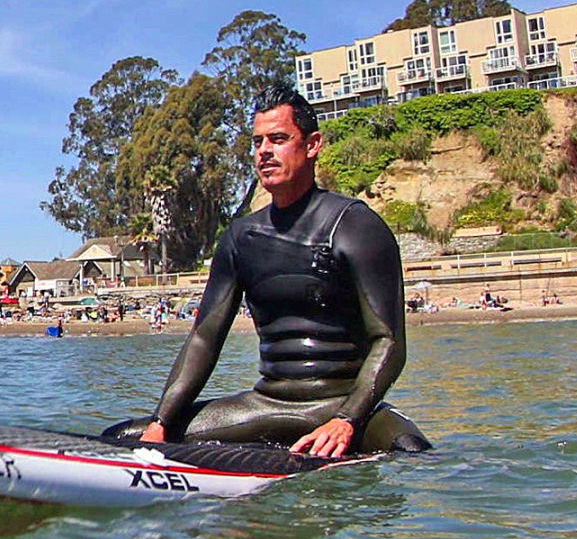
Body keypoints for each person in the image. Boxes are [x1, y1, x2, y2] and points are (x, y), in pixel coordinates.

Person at [128, 88, 426, 458]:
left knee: (412, 450)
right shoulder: (241, 237)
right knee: (127, 437)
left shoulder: (356, 226)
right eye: (257, 142)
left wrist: (346, 420)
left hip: (348, 406)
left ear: (313, 144)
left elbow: (390, 341)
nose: (264, 151)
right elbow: (205, 337)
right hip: (268, 404)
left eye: (279, 139)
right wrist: (161, 422)